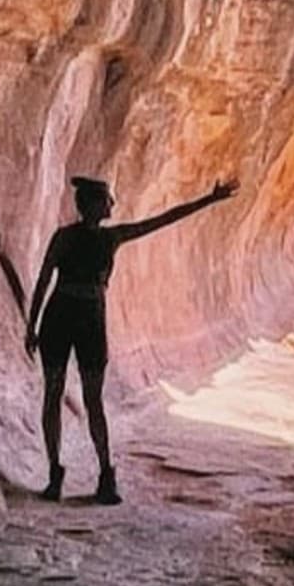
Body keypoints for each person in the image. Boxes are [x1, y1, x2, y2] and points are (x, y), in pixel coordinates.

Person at [24, 172, 236, 504]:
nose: (112, 204)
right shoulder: (94, 238)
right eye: (107, 198)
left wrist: (209, 199)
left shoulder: (81, 238)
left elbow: (163, 220)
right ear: (92, 204)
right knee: (72, 397)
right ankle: (78, 474)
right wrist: (30, 326)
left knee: (67, 396)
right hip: (77, 319)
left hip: (65, 317)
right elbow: (42, 279)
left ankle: (89, 475)